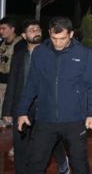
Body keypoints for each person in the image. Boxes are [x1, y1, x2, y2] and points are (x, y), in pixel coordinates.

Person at [17, 16, 92, 174]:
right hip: (45, 119)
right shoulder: (40, 52)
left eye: (62, 38)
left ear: (71, 34)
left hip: (75, 120)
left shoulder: (83, 53)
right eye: (54, 38)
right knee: (35, 163)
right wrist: (22, 111)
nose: (58, 43)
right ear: (49, 33)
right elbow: (31, 84)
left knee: (80, 164)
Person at [2, 20, 68, 174]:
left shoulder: (52, 53)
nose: (36, 32)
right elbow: (12, 82)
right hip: (22, 106)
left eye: (38, 29)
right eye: (32, 30)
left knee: (51, 140)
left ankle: (62, 160)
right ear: (24, 35)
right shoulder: (19, 56)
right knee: (20, 143)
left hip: (45, 106)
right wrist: (7, 110)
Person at [0, 17, 22, 114]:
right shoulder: (2, 43)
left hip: (11, 85)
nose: (1, 31)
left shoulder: (20, 44)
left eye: (3, 28)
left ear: (12, 29)